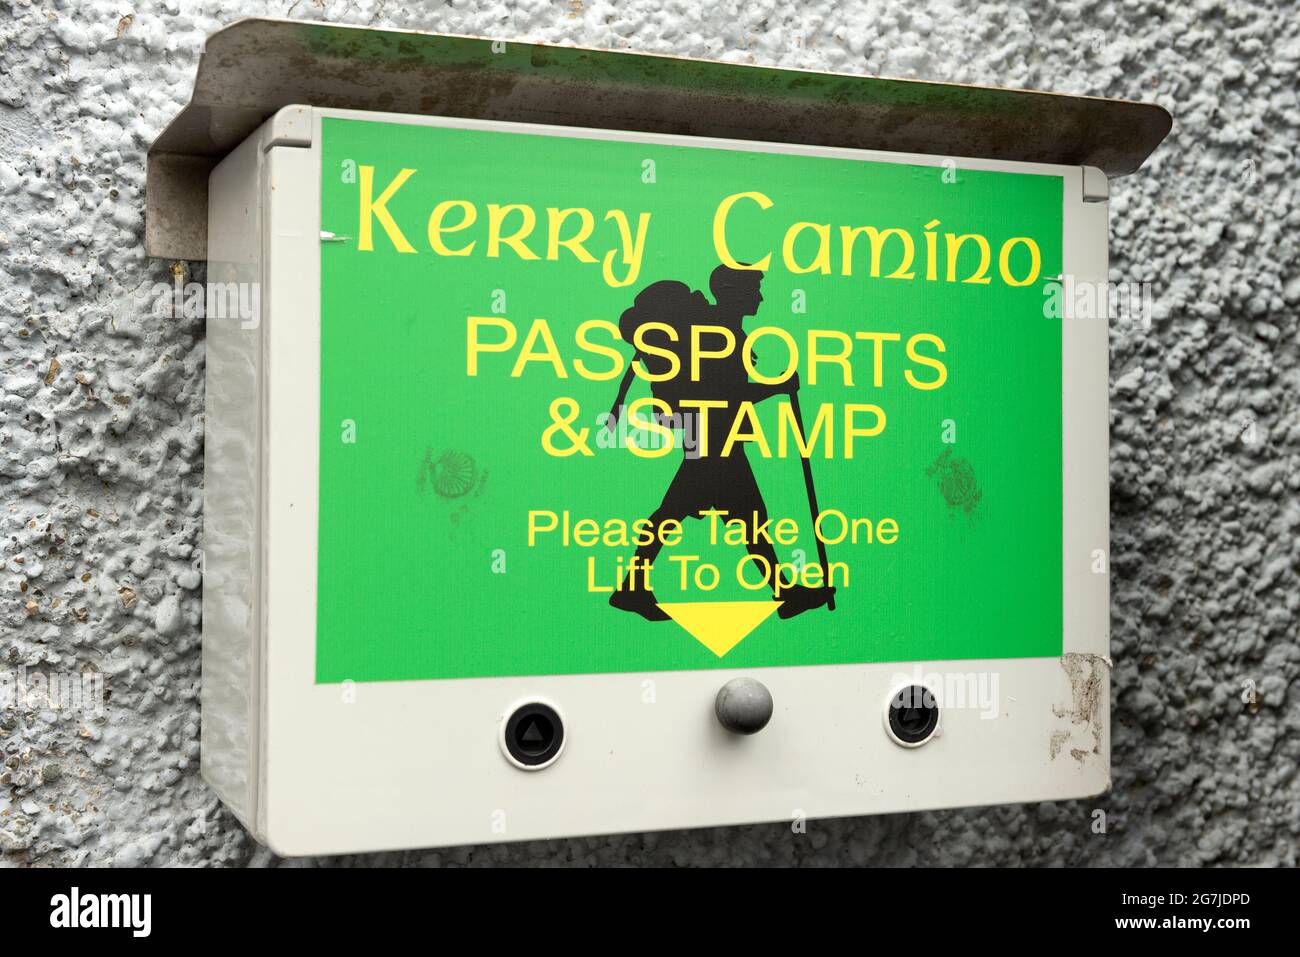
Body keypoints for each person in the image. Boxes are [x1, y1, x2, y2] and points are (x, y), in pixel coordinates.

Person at [609, 265, 835, 621]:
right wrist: (778, 387)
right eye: (755, 289)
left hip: (715, 436)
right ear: (733, 292)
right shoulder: (717, 334)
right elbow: (726, 394)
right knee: (705, 516)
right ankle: (632, 589)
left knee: (733, 518)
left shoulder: (724, 331)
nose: (760, 296)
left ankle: (633, 588)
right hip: (714, 439)